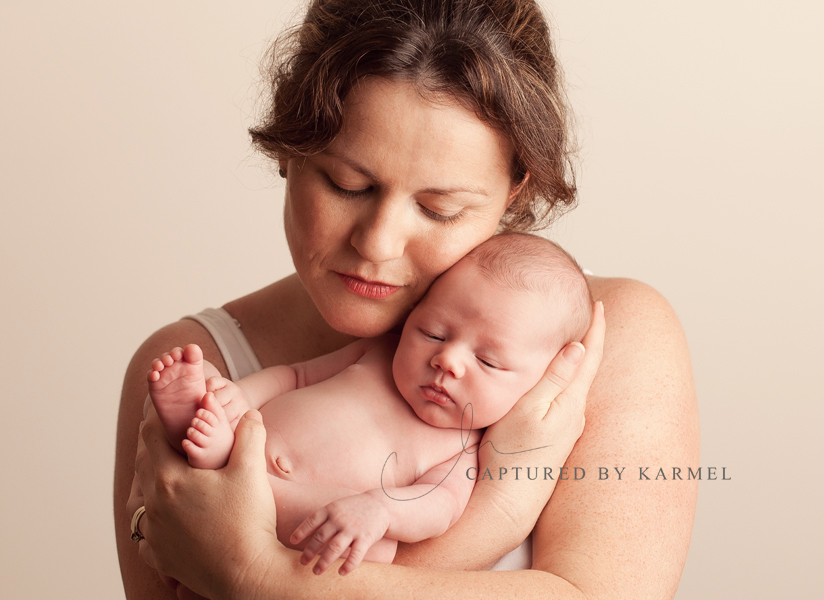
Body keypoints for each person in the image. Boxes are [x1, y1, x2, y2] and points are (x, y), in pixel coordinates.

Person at [114, 1, 699, 598]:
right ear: (291, 149)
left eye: (439, 208)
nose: (378, 242)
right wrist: (502, 509)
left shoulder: (610, 342)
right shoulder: (191, 362)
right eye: (349, 185)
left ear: (513, 191)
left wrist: (256, 575)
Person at [146, 233, 593, 576]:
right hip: (247, 429)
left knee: (372, 548)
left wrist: (381, 510)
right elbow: (296, 376)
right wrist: (241, 396)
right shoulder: (378, 353)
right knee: (208, 379)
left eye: (488, 361)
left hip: (304, 513)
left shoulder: (461, 448)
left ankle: (225, 468)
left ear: (540, 382)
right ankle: (212, 433)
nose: (448, 360)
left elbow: (438, 506)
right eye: (433, 332)